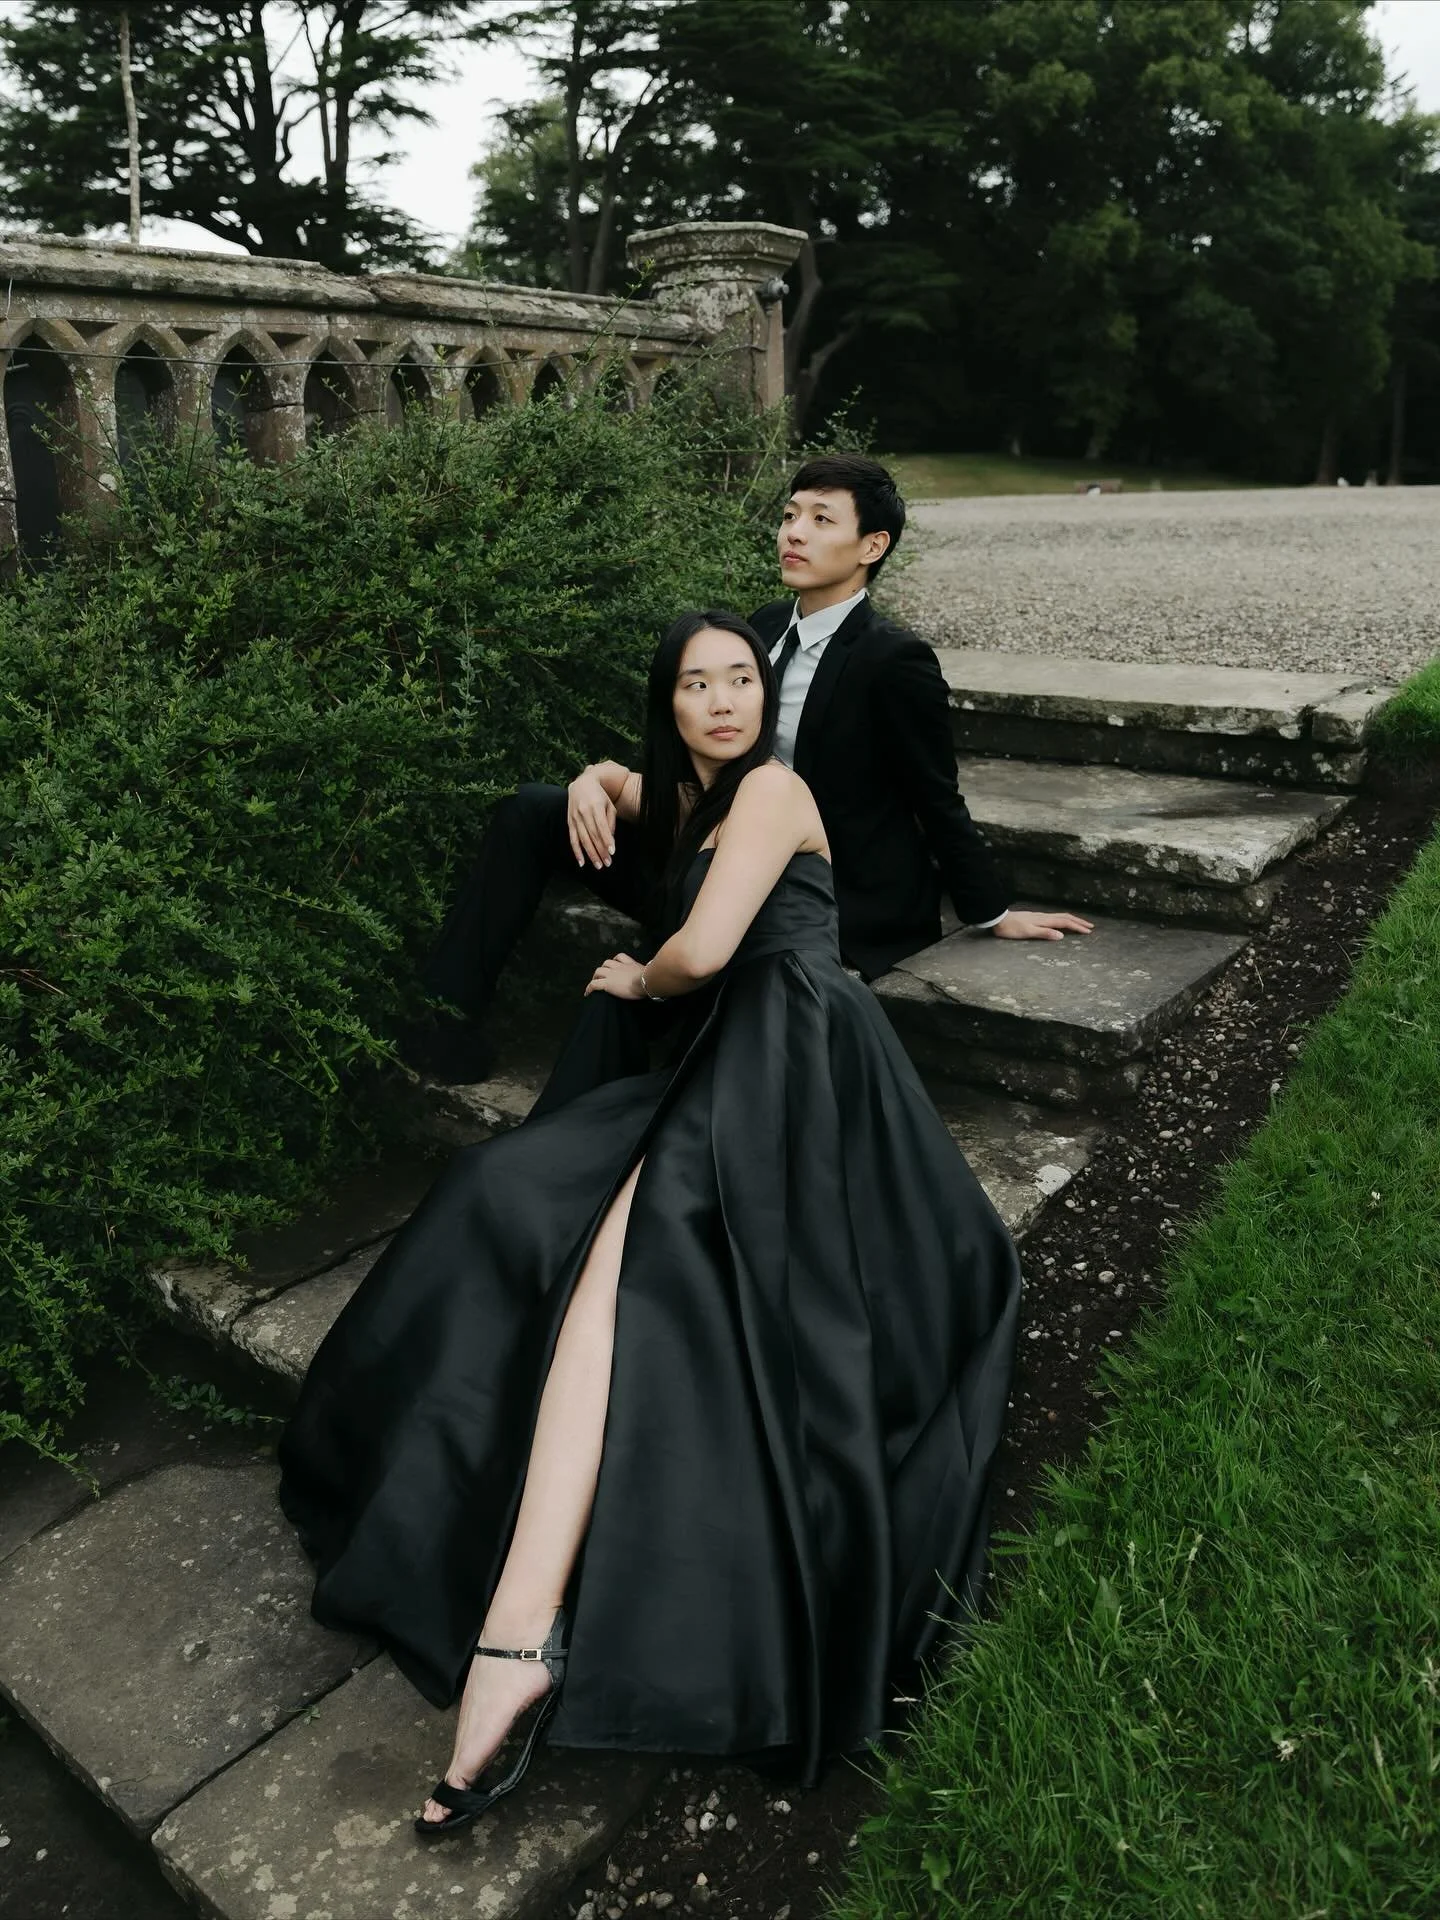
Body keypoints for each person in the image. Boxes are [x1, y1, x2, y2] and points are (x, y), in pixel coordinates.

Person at [279, 609, 1022, 1835]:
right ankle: (516, 1609)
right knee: (500, 1197)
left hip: (793, 1056)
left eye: (744, 679)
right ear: (669, 703)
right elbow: (624, 781)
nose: (727, 700)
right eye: (698, 683)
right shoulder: (684, 788)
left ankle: (519, 1637)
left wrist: (638, 974)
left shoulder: (777, 791)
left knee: (624, 1261)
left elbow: (705, 949)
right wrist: (588, 778)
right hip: (719, 1057)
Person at [411, 452, 1089, 1082]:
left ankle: (654, 1034)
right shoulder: (761, 628)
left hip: (799, 890)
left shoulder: (894, 662)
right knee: (535, 806)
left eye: (822, 520)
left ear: (872, 547)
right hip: (705, 851)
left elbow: (935, 796)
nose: (794, 532)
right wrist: (595, 779)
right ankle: (442, 1021)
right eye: (790, 514)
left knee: (655, 979)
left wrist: (990, 910)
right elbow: (687, 746)